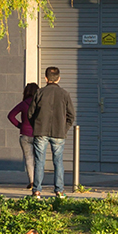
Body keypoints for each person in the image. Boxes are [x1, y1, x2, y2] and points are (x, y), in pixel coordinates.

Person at [31, 65, 75, 201]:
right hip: (58, 132)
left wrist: (36, 126)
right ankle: (59, 191)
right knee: (58, 161)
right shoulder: (65, 94)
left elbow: (30, 113)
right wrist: (64, 128)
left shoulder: (39, 93)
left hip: (41, 131)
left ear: (45, 78)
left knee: (39, 162)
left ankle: (37, 191)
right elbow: (71, 116)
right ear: (59, 78)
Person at [7, 81, 39, 191]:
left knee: (29, 159)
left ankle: (31, 180)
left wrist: (20, 125)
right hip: (38, 134)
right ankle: (38, 182)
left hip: (25, 134)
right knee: (39, 158)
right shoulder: (39, 104)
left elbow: (11, 115)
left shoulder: (23, 103)